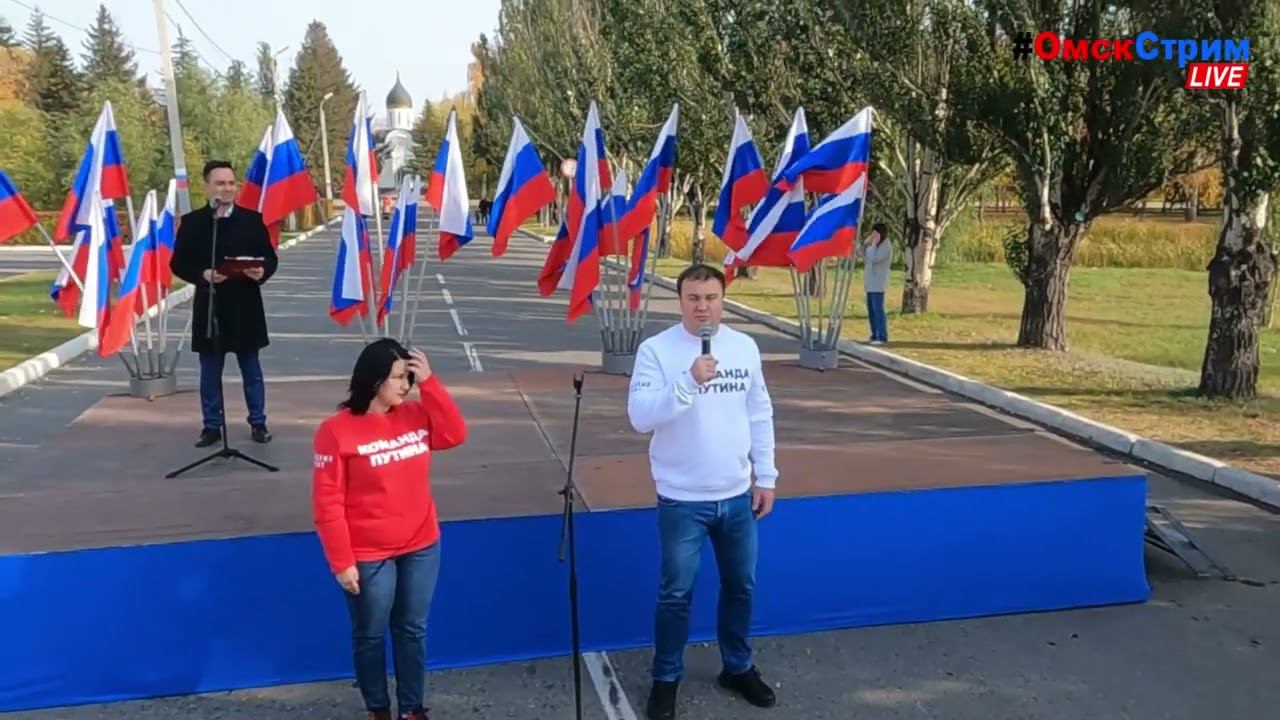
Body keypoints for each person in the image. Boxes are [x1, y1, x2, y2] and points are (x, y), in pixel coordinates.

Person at [627, 263, 779, 720]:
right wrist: (688, 381)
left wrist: (766, 476)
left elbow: (759, 413)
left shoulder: (744, 347)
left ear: (723, 299)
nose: (702, 308)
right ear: (679, 301)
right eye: (693, 298)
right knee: (676, 593)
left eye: (711, 298)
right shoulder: (657, 350)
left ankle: (737, 666)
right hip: (682, 498)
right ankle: (666, 678)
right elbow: (640, 417)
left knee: (741, 585)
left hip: (736, 494)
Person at [312, 339, 468, 720]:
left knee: (412, 629)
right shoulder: (336, 431)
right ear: (374, 380)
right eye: (399, 378)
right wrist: (342, 562)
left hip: (421, 545)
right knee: (370, 634)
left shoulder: (415, 414)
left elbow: (454, 434)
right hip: (369, 554)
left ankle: (412, 708)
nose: (405, 386)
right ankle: (378, 708)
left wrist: (430, 383)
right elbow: (327, 503)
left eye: (408, 378)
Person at [170, 159, 279, 447]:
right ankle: (211, 426)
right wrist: (202, 274)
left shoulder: (252, 220)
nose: (227, 188)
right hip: (211, 307)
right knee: (210, 373)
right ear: (206, 186)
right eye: (220, 183)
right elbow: (178, 263)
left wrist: (262, 271)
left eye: (231, 183)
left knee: (251, 371)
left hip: (245, 306)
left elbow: (270, 257)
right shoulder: (194, 222)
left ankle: (258, 422)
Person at [860, 222, 892, 344]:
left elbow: (874, 258)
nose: (872, 236)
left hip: (879, 283)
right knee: (871, 310)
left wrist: (873, 244)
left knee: (878, 309)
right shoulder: (872, 245)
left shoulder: (886, 246)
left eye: (875, 234)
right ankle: (874, 334)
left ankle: (882, 336)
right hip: (870, 282)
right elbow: (864, 256)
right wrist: (865, 244)